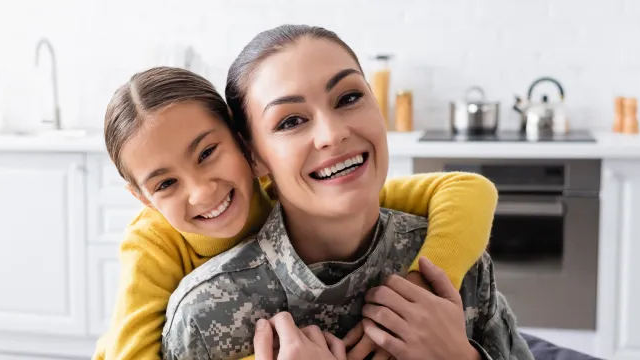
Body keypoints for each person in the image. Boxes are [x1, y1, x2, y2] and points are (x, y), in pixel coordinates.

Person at [160, 24, 533, 360]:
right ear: (254, 156)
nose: (332, 133)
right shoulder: (204, 315)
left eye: (348, 98)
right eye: (291, 121)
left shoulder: (455, 265)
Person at [95, 71, 499, 359]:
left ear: (244, 145)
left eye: (206, 154)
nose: (201, 191)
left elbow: (468, 188)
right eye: (165, 184)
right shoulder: (152, 243)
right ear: (143, 199)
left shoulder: (293, 189)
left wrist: (422, 284)